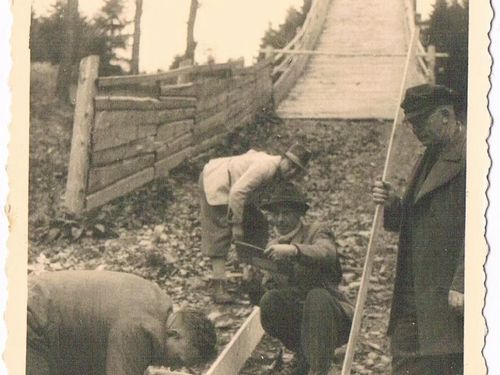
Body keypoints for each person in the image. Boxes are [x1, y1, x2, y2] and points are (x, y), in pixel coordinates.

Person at [371, 84, 465, 374]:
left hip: (447, 292)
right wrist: (393, 203)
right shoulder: (431, 153)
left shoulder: (478, 155)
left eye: (422, 121)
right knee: (405, 361)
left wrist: (464, 283)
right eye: (412, 123)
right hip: (413, 292)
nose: (415, 130)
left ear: (446, 114)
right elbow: (420, 218)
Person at [26, 270, 217, 375]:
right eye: (178, 360)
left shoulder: (158, 304)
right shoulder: (139, 328)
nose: (174, 367)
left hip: (39, 307)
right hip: (29, 319)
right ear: (175, 334)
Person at [257, 184, 353, 375]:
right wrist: (257, 279)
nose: (280, 220)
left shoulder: (317, 231)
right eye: (275, 214)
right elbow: (272, 288)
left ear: (299, 214)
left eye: (286, 213)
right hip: (300, 317)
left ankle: (318, 370)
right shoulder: (273, 246)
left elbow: (326, 252)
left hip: (332, 315)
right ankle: (303, 355)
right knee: (270, 302)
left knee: (316, 297)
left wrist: (294, 251)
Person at [199, 143, 312, 303]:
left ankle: (250, 277)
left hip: (237, 191)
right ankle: (219, 288)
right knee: (220, 232)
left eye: (297, 170)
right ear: (283, 158)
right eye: (291, 165)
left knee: (257, 224)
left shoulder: (280, 176)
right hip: (216, 182)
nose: (292, 171)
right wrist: (237, 225)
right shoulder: (266, 166)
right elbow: (237, 192)